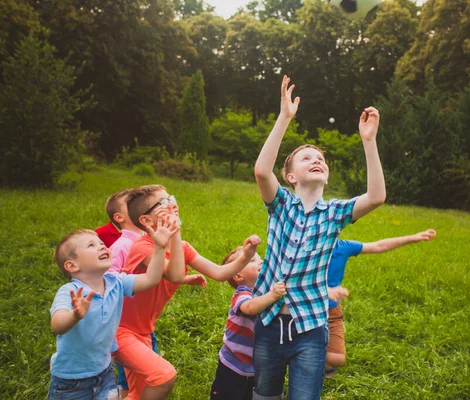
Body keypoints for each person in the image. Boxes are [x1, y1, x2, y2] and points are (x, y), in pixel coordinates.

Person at [252, 75, 386, 400]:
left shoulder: (335, 213)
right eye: (307, 158)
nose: (317, 160)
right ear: (291, 176)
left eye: (321, 159)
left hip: (311, 327)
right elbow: (261, 171)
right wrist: (284, 118)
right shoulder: (281, 203)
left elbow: (376, 196)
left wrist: (368, 141)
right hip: (269, 321)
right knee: (265, 393)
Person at [112, 184, 261, 399]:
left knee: (139, 392)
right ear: (145, 221)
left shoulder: (182, 246)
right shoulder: (142, 246)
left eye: (170, 197)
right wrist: (175, 232)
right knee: (163, 376)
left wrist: (246, 256)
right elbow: (172, 275)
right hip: (120, 329)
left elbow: (219, 273)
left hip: (144, 331)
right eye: (162, 203)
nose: (172, 203)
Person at [47, 214, 179, 400]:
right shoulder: (70, 291)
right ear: (72, 265)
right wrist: (75, 316)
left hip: (105, 372)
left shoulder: (115, 281)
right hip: (72, 380)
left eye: (101, 242)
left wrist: (158, 247)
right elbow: (57, 324)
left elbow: (151, 279)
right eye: (91, 245)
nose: (101, 245)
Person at [325, 229, 437, 378]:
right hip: (305, 308)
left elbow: (379, 245)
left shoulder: (343, 247)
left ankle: (320, 361)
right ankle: (307, 358)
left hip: (331, 310)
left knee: (337, 359)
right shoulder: (304, 249)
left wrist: (413, 237)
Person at [210, 248, 287, 400]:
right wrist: (273, 295)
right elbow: (250, 307)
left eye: (260, 258)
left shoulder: (264, 291)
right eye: (252, 260)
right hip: (233, 365)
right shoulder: (242, 293)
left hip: (256, 367)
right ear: (238, 275)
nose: (261, 261)